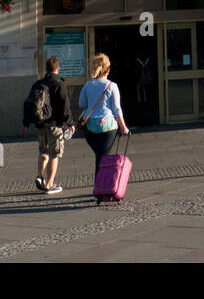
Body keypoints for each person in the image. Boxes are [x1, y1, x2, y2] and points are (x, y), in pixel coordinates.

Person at [19, 56, 72, 195]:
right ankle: (49, 184)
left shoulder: (38, 84)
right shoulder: (59, 83)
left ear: (46, 69)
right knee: (55, 154)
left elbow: (30, 104)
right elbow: (65, 106)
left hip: (40, 124)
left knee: (43, 151)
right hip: (55, 125)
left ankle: (39, 176)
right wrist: (70, 123)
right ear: (58, 68)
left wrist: (25, 124)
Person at [76, 53, 130, 182]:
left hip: (91, 127)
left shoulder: (87, 85)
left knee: (99, 155)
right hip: (108, 126)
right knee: (103, 156)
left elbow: (81, 104)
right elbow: (117, 109)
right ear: (108, 70)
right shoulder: (112, 86)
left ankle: (101, 185)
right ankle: (102, 186)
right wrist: (124, 127)